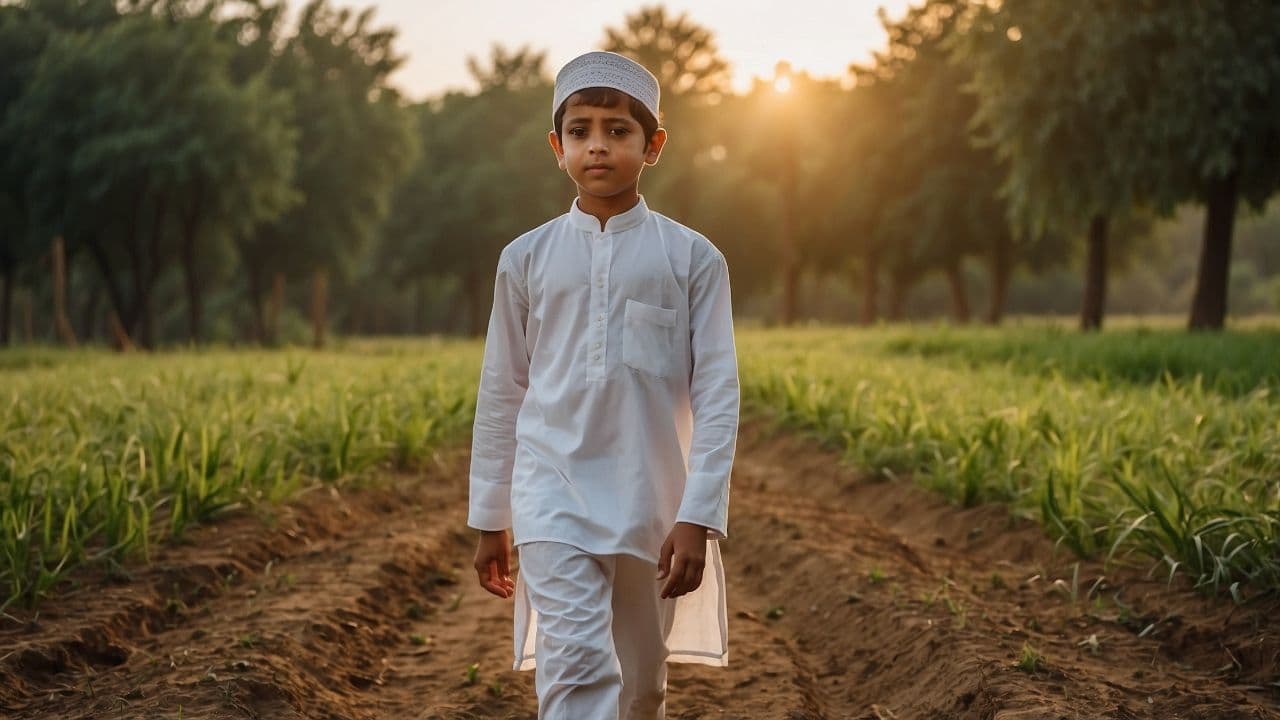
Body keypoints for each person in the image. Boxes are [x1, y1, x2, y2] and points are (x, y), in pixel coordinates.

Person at [467, 50, 740, 720]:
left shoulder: (692, 259)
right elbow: (503, 388)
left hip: (653, 498)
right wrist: (490, 517)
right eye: (582, 130)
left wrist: (698, 518)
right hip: (550, 490)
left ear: (654, 145)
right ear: (556, 146)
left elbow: (718, 393)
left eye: (619, 131)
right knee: (578, 666)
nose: (599, 146)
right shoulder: (524, 259)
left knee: (641, 683)